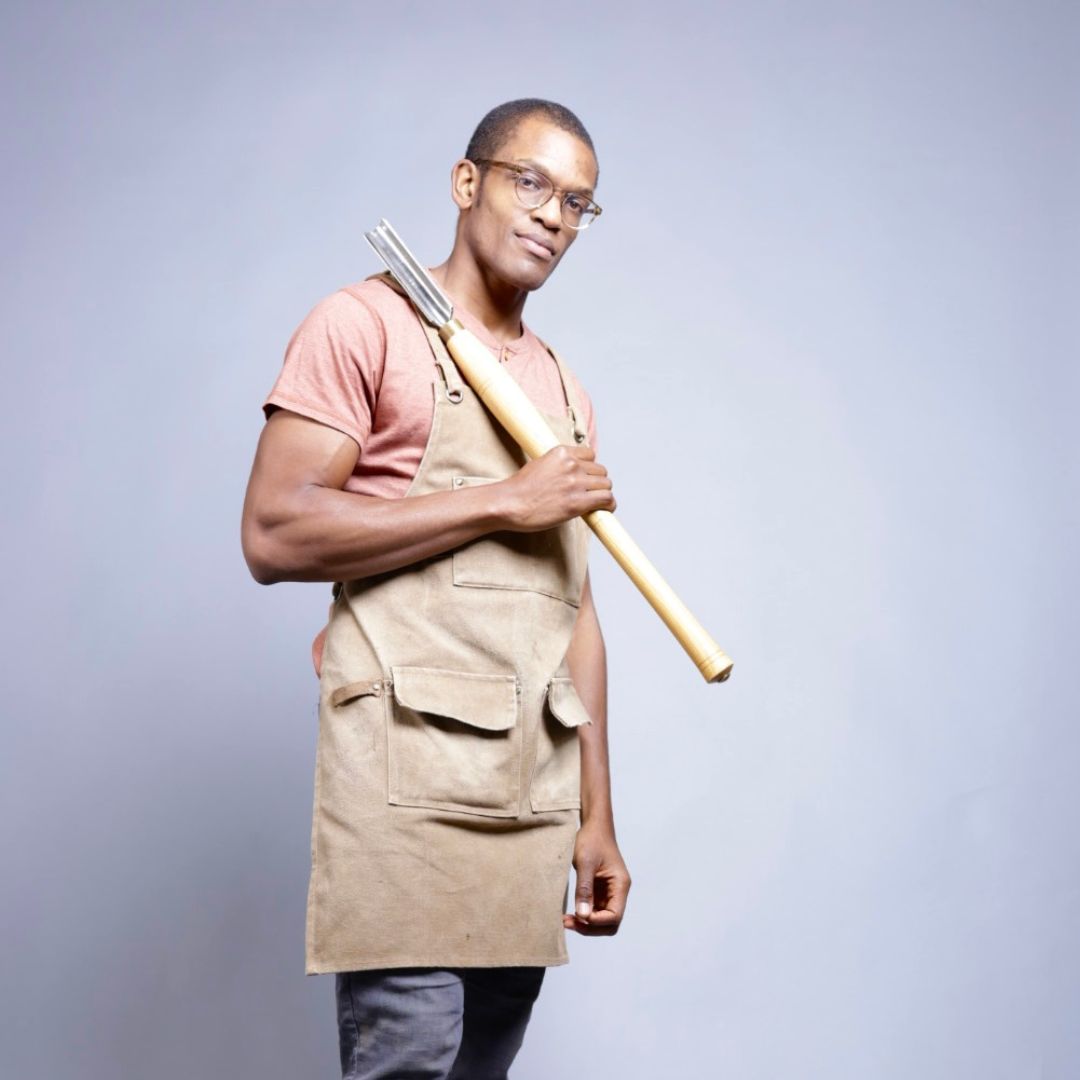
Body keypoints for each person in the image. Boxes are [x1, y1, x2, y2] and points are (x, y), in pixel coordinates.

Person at [241, 98, 631, 1079]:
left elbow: (574, 608)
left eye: (577, 202)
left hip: (528, 802)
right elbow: (273, 530)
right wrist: (504, 500)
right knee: (410, 1062)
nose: (552, 215)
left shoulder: (563, 392)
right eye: (530, 182)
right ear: (467, 183)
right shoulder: (363, 325)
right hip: (402, 794)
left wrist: (597, 817)